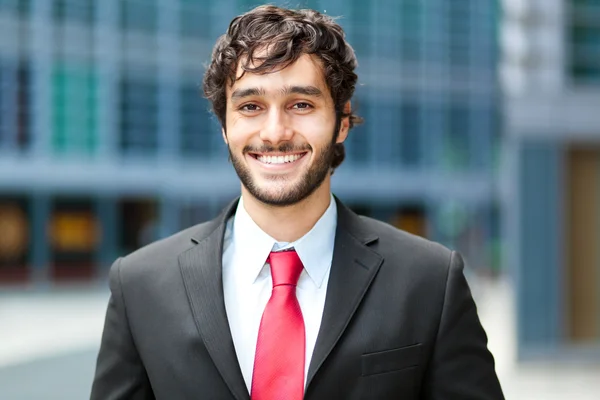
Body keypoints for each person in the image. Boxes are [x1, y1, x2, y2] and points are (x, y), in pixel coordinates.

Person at [91, 5, 504, 400]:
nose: (275, 132)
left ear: (341, 122)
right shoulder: (139, 284)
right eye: (251, 106)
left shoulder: (430, 281)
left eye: (301, 104)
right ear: (224, 127)